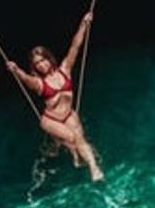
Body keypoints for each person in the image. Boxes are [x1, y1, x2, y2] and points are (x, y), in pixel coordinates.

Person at [6, 12, 104, 182]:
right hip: (51, 119)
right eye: (37, 64)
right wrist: (16, 70)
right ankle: (80, 157)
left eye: (43, 60)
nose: (42, 65)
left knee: (81, 141)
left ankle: (93, 168)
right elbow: (26, 80)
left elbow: (75, 47)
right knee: (73, 138)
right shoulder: (39, 83)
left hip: (68, 115)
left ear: (49, 58)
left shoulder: (65, 70)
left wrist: (83, 25)